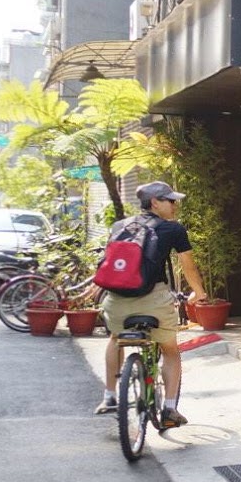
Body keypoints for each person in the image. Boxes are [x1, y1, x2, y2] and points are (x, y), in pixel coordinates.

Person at [95, 181, 208, 428]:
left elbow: (111, 265)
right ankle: (169, 409)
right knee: (170, 350)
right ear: (155, 202)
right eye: (171, 200)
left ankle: (110, 396)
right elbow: (188, 266)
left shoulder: (120, 226)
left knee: (115, 338)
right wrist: (199, 293)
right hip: (154, 301)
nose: (175, 205)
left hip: (116, 301)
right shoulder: (173, 229)